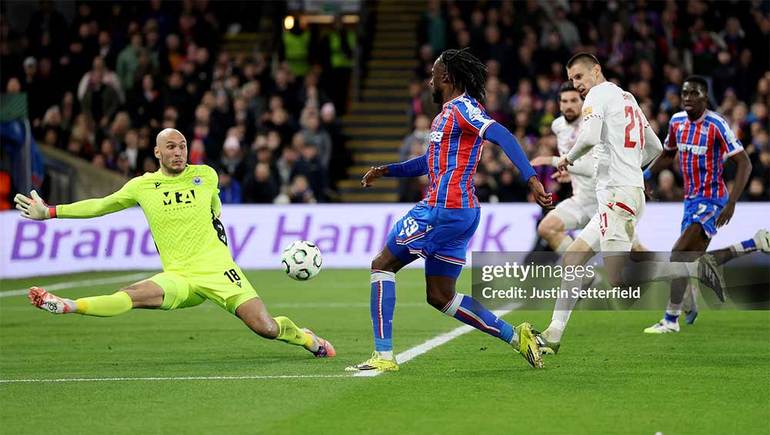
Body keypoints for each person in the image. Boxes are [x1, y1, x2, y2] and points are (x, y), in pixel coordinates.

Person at [14, 128, 335, 358]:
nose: (178, 151)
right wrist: (51, 212)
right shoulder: (143, 186)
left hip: (218, 270)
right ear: (157, 152)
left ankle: (305, 338)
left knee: (266, 328)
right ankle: (70, 305)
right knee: (131, 295)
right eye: (171, 146)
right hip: (179, 276)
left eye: (182, 146)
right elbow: (100, 205)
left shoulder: (205, 175)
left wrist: (218, 233)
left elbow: (215, 213)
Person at [347, 49, 553, 372]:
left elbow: (501, 133)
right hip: (460, 213)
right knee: (440, 296)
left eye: (433, 74)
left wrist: (530, 177)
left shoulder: (464, 109)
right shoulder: (443, 116)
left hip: (443, 208)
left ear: (445, 77)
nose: (429, 80)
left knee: (382, 265)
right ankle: (517, 337)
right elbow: (426, 163)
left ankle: (383, 355)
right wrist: (386, 170)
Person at [536, 53, 724, 354]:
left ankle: (689, 272)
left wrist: (565, 159)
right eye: (572, 80)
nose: (577, 84)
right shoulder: (626, 98)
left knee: (618, 281)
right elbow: (654, 147)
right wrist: (632, 172)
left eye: (580, 77)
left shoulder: (597, 95)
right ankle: (554, 335)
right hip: (620, 195)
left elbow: (589, 137)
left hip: (617, 198)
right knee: (573, 260)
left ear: (596, 71)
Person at [642, 76, 764, 333]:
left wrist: (731, 202)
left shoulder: (717, 124)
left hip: (713, 199)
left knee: (678, 254)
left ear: (704, 98)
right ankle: (754, 243)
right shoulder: (676, 122)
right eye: (684, 93)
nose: (687, 98)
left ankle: (670, 320)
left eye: (693, 93)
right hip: (690, 200)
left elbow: (744, 162)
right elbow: (668, 153)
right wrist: (647, 176)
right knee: (693, 261)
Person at [530, 82, 596, 253]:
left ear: (583, 102)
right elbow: (578, 164)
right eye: (564, 101)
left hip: (605, 200)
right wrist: (569, 174)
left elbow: (593, 168)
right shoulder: (558, 126)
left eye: (574, 100)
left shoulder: (592, 126)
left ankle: (672, 271)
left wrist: (551, 160)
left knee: (631, 256)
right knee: (546, 228)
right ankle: (587, 278)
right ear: (559, 104)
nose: (569, 106)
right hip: (581, 200)